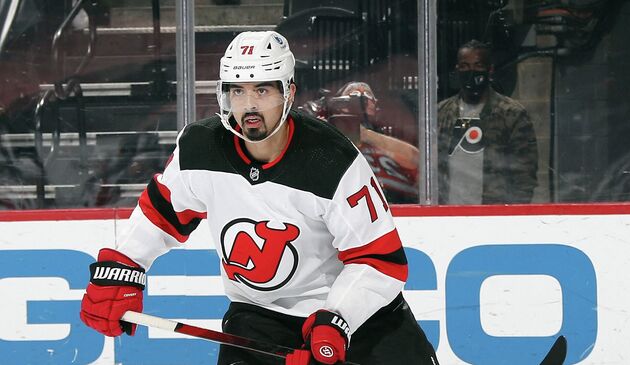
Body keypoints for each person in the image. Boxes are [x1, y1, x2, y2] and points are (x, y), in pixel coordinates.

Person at [79, 31, 438, 365]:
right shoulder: (200, 148)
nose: (249, 105)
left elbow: (380, 261)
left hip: (357, 321)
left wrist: (336, 320)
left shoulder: (332, 160)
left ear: (289, 93)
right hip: (258, 319)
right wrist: (122, 267)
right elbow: (161, 213)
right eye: (238, 91)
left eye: (262, 90)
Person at [437, 39, 538, 204]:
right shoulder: (441, 113)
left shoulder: (511, 114)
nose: (471, 72)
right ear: (457, 69)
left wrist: (515, 216)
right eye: (464, 66)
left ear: (489, 70)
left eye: (478, 66)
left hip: (494, 215)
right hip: (449, 214)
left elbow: (524, 176)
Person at [302, 81, 420, 204]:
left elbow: (417, 161)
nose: (359, 100)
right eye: (352, 95)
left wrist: (366, 135)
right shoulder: (325, 134)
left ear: (375, 106)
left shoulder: (390, 139)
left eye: (367, 96)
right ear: (339, 104)